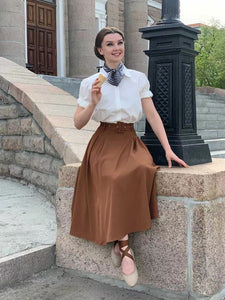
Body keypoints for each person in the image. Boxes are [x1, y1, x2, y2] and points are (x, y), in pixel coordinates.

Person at [70, 26, 188, 287]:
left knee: (142, 170)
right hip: (104, 141)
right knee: (113, 176)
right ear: (100, 50)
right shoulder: (89, 83)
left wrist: (168, 148)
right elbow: (78, 123)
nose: (116, 47)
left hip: (131, 141)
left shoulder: (137, 79)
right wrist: (92, 102)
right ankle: (124, 248)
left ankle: (119, 245)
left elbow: (153, 115)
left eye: (120, 42)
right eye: (110, 44)